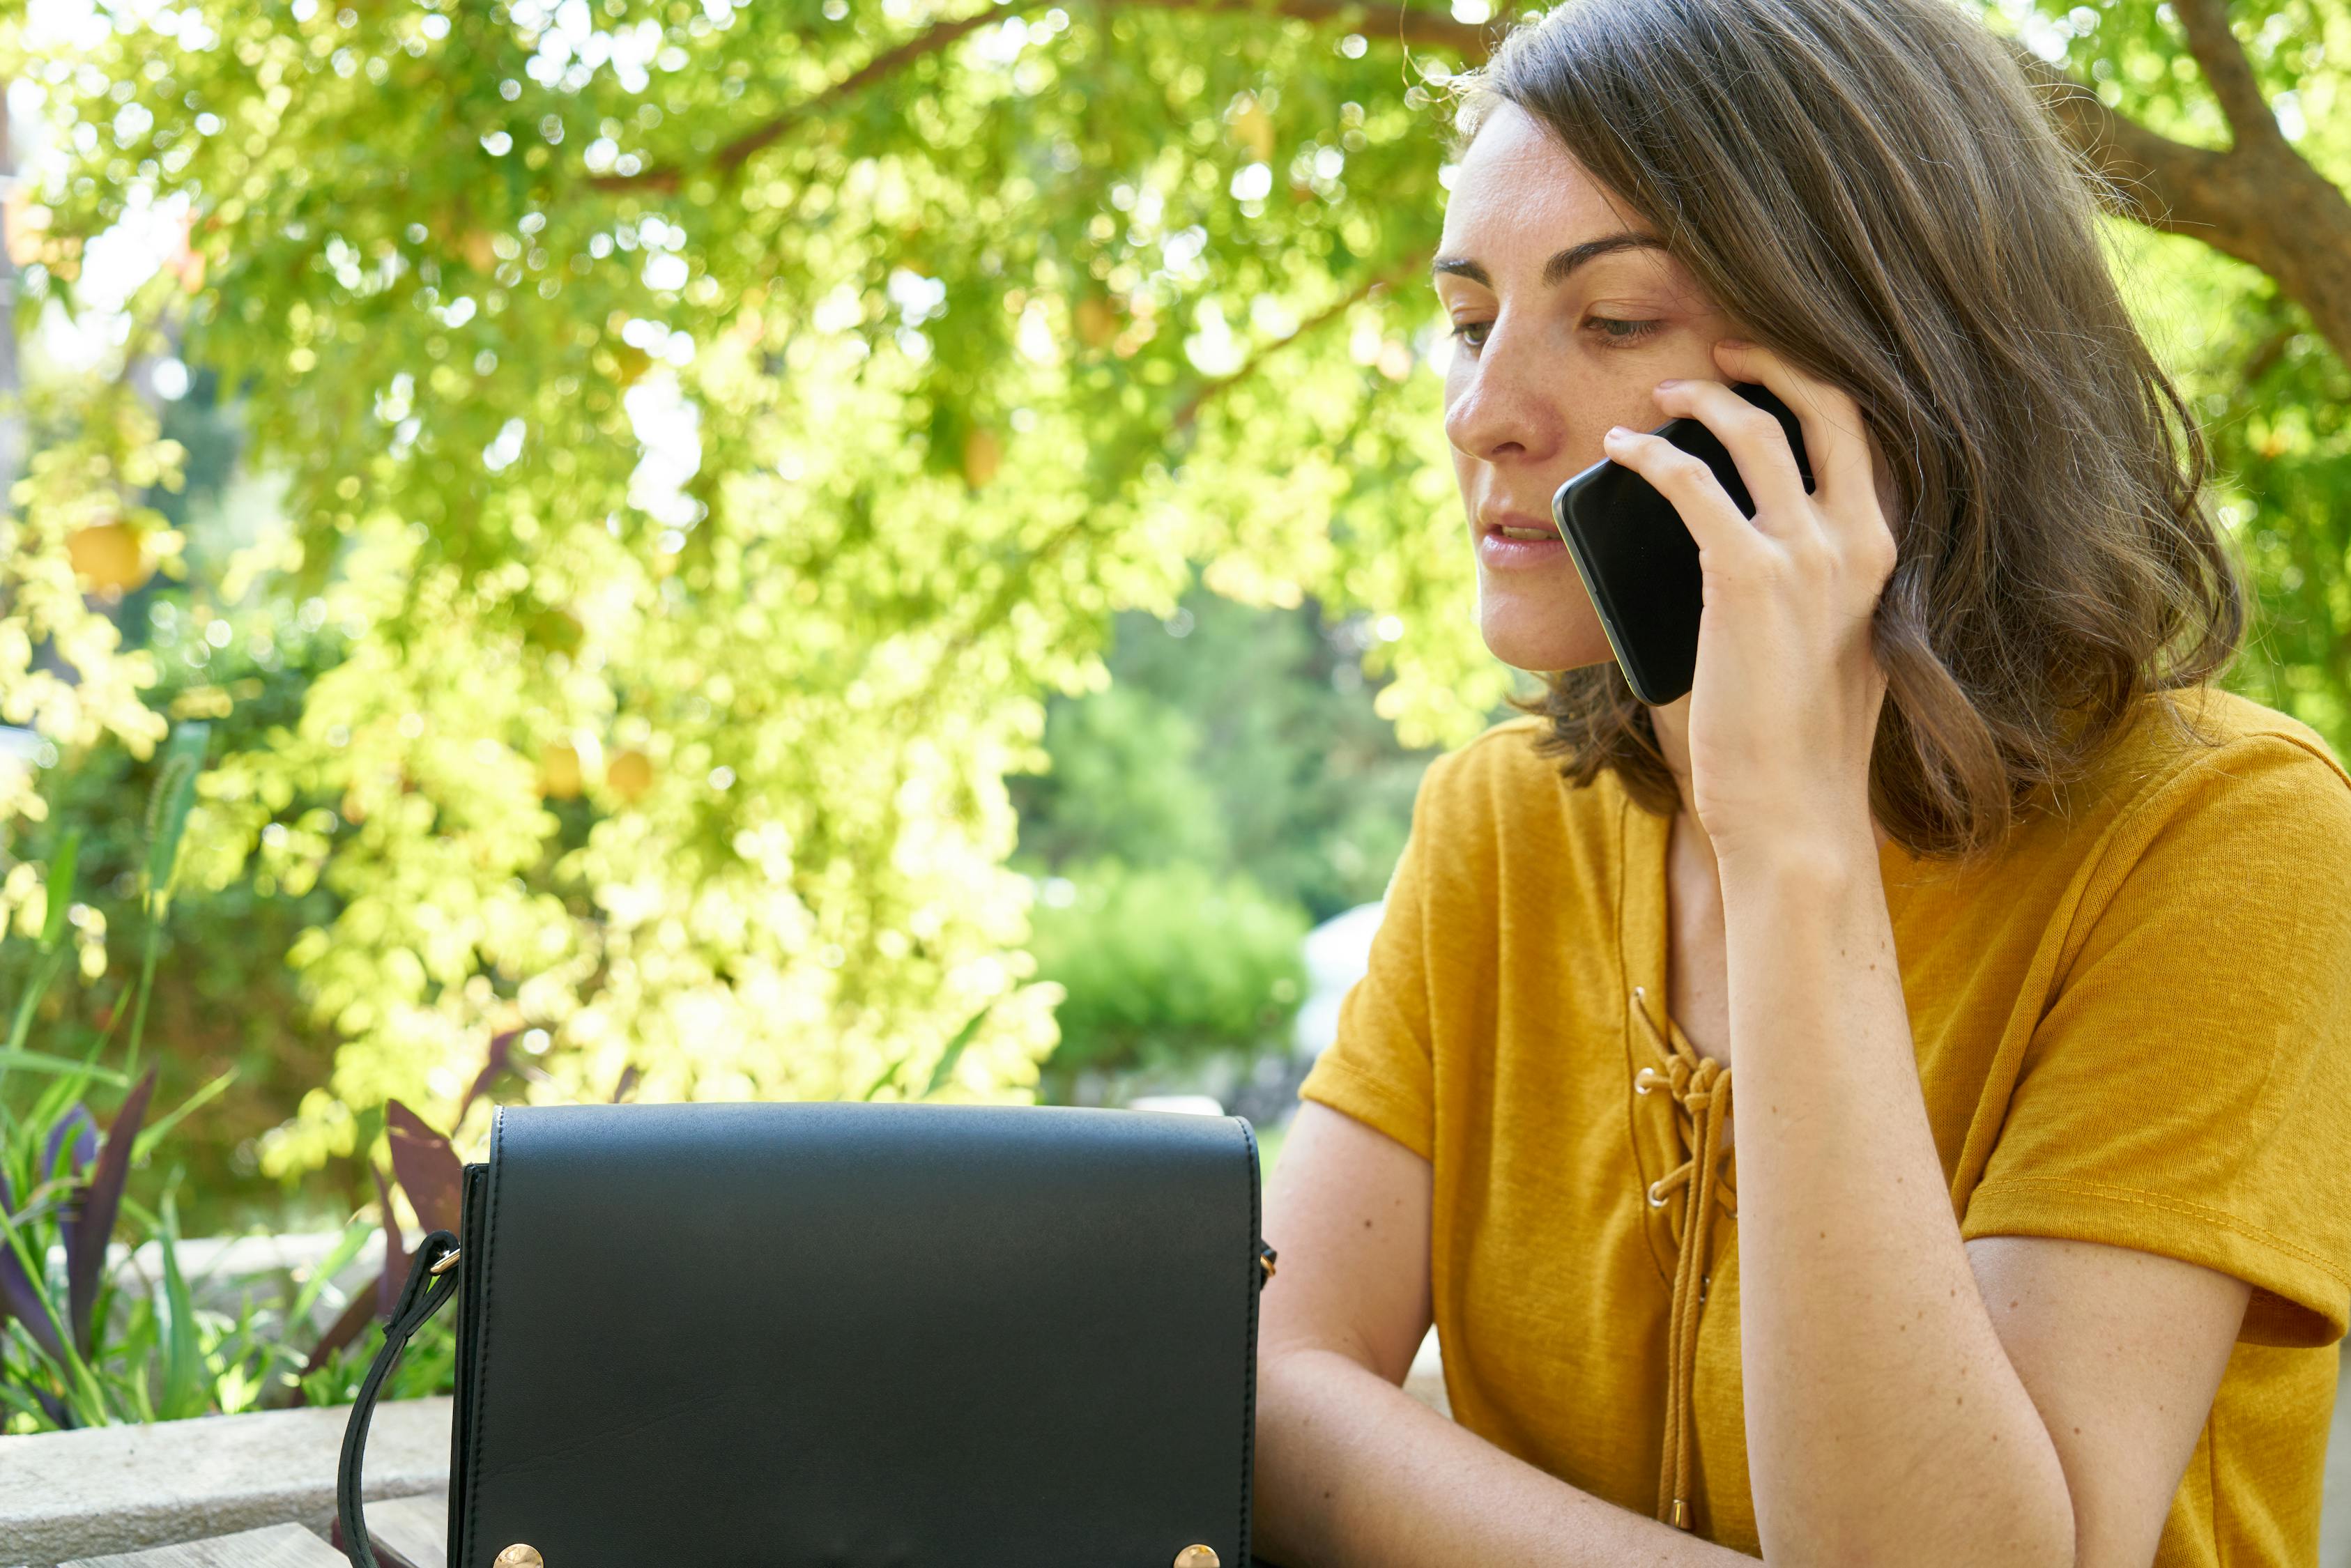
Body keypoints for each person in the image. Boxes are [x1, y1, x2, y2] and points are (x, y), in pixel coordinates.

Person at [1247, 1, 2351, 1564]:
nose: (1481, 409)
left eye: (1613, 320)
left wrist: (1788, 843)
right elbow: (1271, 1381)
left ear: (1877, 372)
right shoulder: (1500, 824)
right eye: (1468, 316)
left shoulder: (2229, 842)